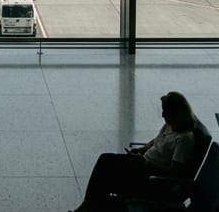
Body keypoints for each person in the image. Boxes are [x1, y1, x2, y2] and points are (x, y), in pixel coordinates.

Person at [71, 91, 200, 212]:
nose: (162, 115)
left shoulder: (184, 139)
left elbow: (174, 171)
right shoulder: (171, 124)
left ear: (176, 113)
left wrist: (145, 164)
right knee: (105, 160)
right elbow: (155, 141)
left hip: (150, 178)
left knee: (106, 178)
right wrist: (142, 150)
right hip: (141, 165)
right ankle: (89, 205)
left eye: (165, 112)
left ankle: (88, 206)